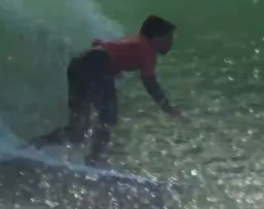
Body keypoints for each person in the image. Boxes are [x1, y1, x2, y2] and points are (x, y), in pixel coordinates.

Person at [39, 15, 185, 162]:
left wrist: (115, 70)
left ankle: (35, 146)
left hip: (79, 63)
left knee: (78, 129)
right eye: (168, 38)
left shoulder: (134, 42)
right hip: (96, 65)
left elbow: (105, 50)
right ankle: (94, 162)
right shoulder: (147, 49)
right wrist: (168, 108)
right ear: (156, 38)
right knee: (108, 119)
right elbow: (151, 84)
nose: (171, 43)